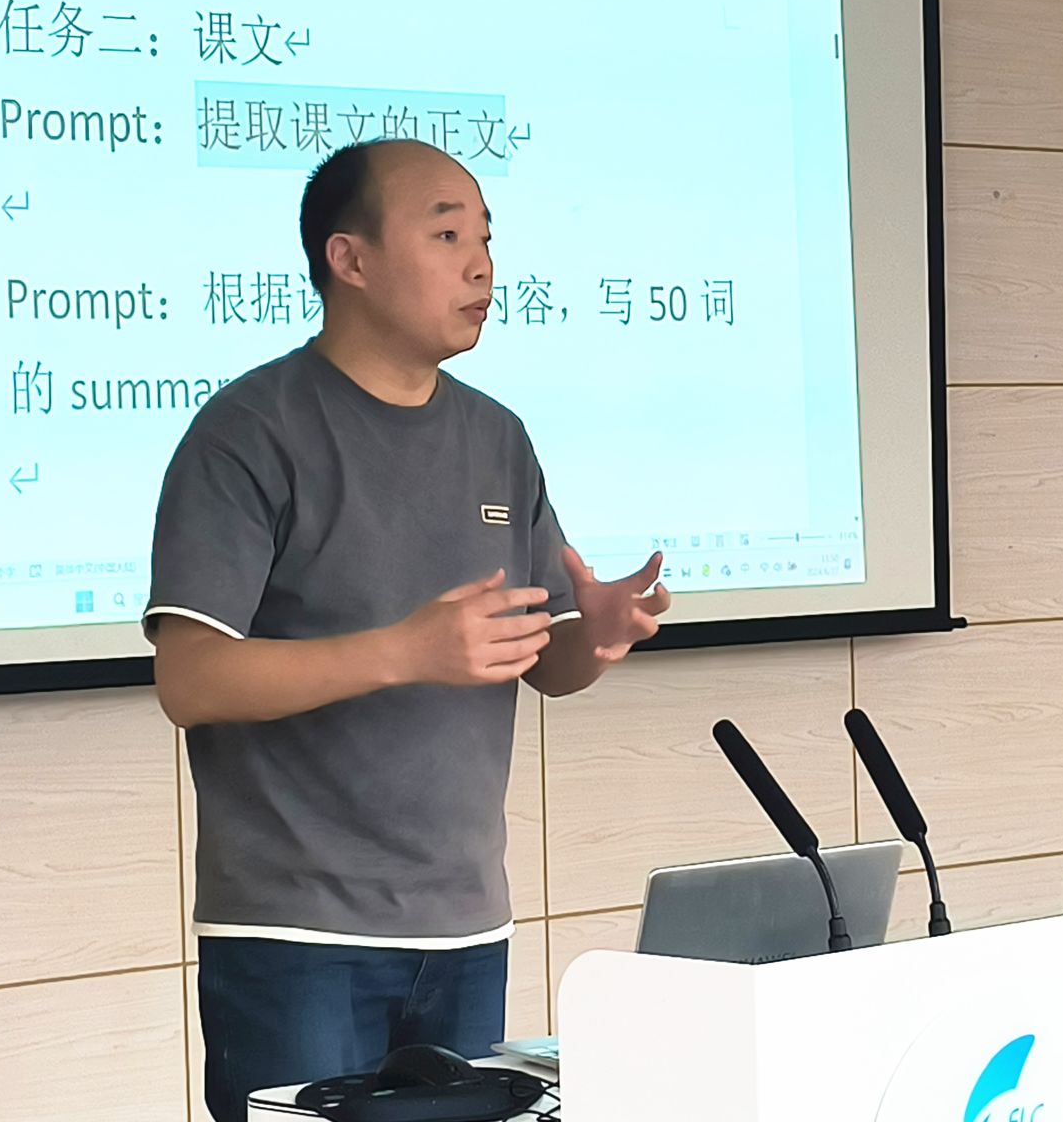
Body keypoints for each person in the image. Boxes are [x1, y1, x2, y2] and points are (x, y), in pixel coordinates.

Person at [144, 137, 671, 1122]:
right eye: (445, 235)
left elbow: (544, 664)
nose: (482, 267)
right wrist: (404, 651)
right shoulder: (250, 431)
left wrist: (595, 636)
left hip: (466, 927)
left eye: (486, 239)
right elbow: (192, 677)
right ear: (348, 259)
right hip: (297, 936)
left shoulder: (497, 437)